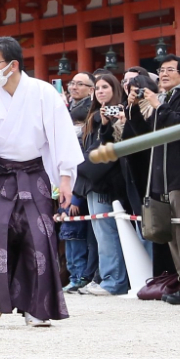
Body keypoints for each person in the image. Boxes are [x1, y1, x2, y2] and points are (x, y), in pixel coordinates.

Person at [0, 37, 82, 326]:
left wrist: (65, 180)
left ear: (12, 65)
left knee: (39, 236)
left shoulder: (43, 93)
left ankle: (37, 308)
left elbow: (62, 137)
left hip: (34, 173)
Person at [128, 55, 180, 304]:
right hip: (162, 175)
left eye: (170, 70)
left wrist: (158, 105)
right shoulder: (164, 98)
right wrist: (133, 108)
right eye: (161, 70)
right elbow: (146, 134)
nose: (163, 74)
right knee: (172, 232)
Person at [72, 72, 132, 296]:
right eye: (97, 88)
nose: (101, 91)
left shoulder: (119, 115)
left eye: (105, 87)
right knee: (100, 233)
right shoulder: (94, 117)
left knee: (107, 233)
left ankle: (113, 280)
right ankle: (105, 277)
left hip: (105, 182)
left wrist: (82, 165)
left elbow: (110, 149)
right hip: (90, 181)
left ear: (115, 89)